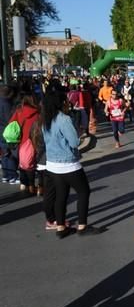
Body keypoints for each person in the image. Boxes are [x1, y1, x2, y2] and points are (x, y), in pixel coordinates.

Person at [42, 91, 99, 238]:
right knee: (83, 191)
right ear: (61, 103)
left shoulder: (46, 120)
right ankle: (82, 226)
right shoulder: (64, 119)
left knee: (61, 195)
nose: (68, 103)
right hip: (68, 163)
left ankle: (61, 227)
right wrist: (78, 134)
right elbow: (74, 142)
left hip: (52, 164)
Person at [8, 93, 40, 192]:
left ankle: (24, 184)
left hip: (21, 141)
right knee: (32, 163)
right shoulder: (38, 112)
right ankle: (32, 186)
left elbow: (11, 123)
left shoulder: (19, 111)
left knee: (22, 163)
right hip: (34, 140)